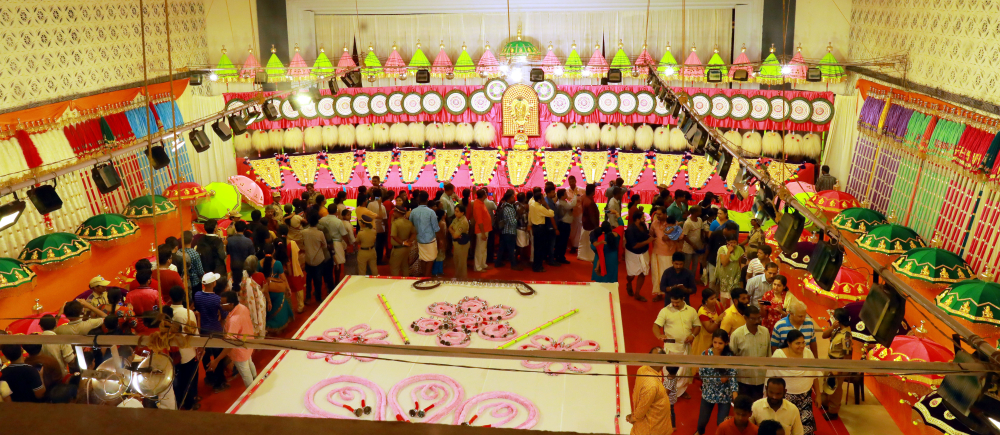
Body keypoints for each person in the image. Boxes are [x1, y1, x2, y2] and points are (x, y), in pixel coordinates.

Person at [767, 330, 822, 435]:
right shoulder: (779, 355)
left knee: (807, 430)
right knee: (787, 429)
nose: (802, 346)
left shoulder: (808, 353)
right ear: (789, 343)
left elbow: (814, 375)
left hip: (806, 397)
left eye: (803, 342)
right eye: (798, 343)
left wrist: (818, 395)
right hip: (785, 399)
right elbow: (769, 378)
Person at [653, 287, 700, 399]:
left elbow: (697, 326)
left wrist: (692, 335)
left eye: (677, 302)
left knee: (684, 373)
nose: (674, 304)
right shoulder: (665, 311)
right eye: (672, 302)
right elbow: (656, 326)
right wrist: (659, 335)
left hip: (685, 347)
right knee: (669, 373)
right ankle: (669, 393)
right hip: (670, 348)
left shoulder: (691, 311)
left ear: (683, 299)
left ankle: (681, 392)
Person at [209, 291, 257, 388]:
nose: (221, 305)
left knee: (246, 374)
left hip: (239, 351)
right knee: (250, 364)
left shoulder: (233, 321)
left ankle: (253, 391)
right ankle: (257, 380)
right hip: (247, 344)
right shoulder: (242, 307)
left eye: (223, 304)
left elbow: (230, 344)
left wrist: (216, 360)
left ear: (231, 304)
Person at [696, 330, 738, 435]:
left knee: (721, 423)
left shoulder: (729, 357)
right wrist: (720, 379)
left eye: (720, 343)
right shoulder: (705, 354)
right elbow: (702, 375)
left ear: (726, 343)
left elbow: (733, 376)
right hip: (708, 394)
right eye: (715, 342)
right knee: (702, 422)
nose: (717, 346)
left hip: (724, 395)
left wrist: (735, 394)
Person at [627, 347, 674, 435]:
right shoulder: (651, 386)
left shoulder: (643, 369)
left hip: (657, 420)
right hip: (652, 427)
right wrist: (633, 418)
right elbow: (642, 408)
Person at [168, 285, 200, 410]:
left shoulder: (166, 311)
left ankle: (180, 400)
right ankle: (189, 403)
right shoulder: (187, 313)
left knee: (178, 378)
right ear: (183, 297)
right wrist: (199, 348)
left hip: (172, 351)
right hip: (187, 351)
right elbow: (194, 333)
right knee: (189, 378)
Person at [195, 272, 227, 393]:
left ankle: (210, 377)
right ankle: (219, 382)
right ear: (213, 283)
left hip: (203, 330)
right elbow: (224, 314)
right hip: (215, 329)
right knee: (218, 356)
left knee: (206, 356)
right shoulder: (217, 299)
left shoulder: (197, 295)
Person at [730, 305, 770, 401]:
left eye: (758, 318)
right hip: (743, 382)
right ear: (745, 318)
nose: (757, 321)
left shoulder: (765, 332)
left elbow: (769, 356)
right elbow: (731, 360)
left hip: (761, 381)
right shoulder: (736, 335)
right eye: (753, 319)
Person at [820, 308, 853, 420]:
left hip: (838, 364)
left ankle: (833, 411)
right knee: (826, 382)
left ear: (838, 320)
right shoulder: (837, 329)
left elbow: (847, 356)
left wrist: (839, 369)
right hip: (830, 360)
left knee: (835, 388)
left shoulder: (846, 335)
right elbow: (824, 335)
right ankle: (824, 402)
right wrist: (832, 327)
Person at [650, 211, 681, 301]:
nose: (658, 216)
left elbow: (681, 235)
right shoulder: (654, 223)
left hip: (670, 253)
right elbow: (651, 234)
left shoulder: (672, 222)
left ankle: (670, 293)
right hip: (657, 252)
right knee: (657, 274)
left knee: (669, 274)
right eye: (657, 214)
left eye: (660, 214)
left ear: (665, 214)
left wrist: (670, 237)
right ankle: (659, 293)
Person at [318, 203, 352, 285]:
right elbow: (344, 235)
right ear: (336, 212)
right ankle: (336, 281)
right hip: (336, 243)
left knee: (326, 264)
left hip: (324, 243)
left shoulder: (321, 220)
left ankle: (327, 282)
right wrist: (348, 243)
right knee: (338, 264)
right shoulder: (338, 221)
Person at [301, 212, 330, 304]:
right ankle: (318, 298)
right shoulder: (320, 233)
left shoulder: (303, 232)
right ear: (317, 222)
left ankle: (308, 298)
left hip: (308, 259)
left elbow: (302, 244)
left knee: (308, 279)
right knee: (318, 280)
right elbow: (324, 246)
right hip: (318, 259)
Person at [624, 209, 651, 301]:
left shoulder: (643, 225)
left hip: (644, 252)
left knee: (643, 272)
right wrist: (647, 241)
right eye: (643, 218)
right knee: (632, 274)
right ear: (637, 219)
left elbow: (646, 235)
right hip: (632, 253)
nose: (644, 219)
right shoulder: (630, 230)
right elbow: (634, 245)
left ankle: (637, 293)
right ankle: (629, 283)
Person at [262, 255, 293, 334]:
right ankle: (279, 327)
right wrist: (288, 288)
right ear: (273, 252)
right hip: (277, 291)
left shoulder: (259, 263)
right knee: (283, 304)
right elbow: (283, 278)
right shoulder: (278, 263)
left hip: (265, 292)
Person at [410, 192, 438, 277]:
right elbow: (436, 228)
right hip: (430, 239)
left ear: (418, 199)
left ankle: (423, 276)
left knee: (422, 258)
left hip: (419, 239)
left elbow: (411, 225)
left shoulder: (413, 212)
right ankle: (427, 276)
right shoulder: (431, 212)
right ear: (427, 199)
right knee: (430, 259)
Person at [239, 256, 267, 338]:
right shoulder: (260, 275)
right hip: (256, 304)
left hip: (245, 306)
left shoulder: (242, 277)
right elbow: (259, 293)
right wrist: (264, 289)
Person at [692, 288, 724, 357]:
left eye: (715, 297)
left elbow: (723, 316)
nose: (715, 300)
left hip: (717, 338)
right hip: (705, 339)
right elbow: (709, 329)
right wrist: (717, 320)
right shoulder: (702, 312)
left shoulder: (718, 304)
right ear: (705, 300)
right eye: (712, 299)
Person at [530, 191, 556, 272]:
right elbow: (551, 214)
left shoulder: (532, 205)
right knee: (540, 249)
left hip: (535, 228)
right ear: (539, 200)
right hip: (541, 229)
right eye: (542, 198)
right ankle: (538, 267)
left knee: (536, 248)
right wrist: (546, 205)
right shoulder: (540, 207)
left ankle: (536, 265)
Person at [716, 231, 745, 303]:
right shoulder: (722, 249)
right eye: (730, 242)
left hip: (736, 275)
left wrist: (740, 274)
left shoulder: (739, 249)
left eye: (734, 242)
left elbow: (740, 262)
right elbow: (724, 263)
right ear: (727, 242)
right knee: (724, 299)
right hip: (725, 275)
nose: (733, 245)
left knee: (734, 297)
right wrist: (729, 252)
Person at [197, 219, 228, 284]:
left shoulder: (201, 239)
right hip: (217, 268)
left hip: (206, 267)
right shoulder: (218, 241)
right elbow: (222, 256)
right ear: (215, 228)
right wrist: (224, 245)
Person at [495, 191, 520, 270]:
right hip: (510, 231)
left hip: (504, 231)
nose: (514, 198)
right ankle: (513, 265)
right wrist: (517, 217)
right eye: (513, 197)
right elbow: (513, 222)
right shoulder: (509, 209)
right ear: (509, 199)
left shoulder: (504, 206)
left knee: (502, 248)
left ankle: (498, 262)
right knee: (511, 249)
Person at [390, 205, 416, 276]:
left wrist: (403, 243)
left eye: (394, 212)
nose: (393, 213)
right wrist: (409, 241)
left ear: (398, 213)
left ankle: (394, 284)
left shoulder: (395, 223)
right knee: (405, 266)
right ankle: (406, 282)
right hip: (406, 248)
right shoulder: (408, 222)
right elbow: (414, 233)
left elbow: (394, 236)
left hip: (398, 249)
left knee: (394, 267)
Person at [680, 205, 704, 278]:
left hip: (697, 246)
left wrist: (702, 242)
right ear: (695, 213)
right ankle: (685, 279)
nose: (701, 212)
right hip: (688, 248)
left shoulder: (699, 220)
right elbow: (684, 236)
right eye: (699, 211)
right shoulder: (688, 223)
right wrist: (693, 245)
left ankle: (692, 279)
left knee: (695, 264)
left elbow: (702, 231)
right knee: (687, 264)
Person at [472, 189, 493, 271]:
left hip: (485, 229)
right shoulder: (477, 204)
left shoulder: (480, 202)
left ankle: (483, 264)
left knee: (483, 249)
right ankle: (477, 267)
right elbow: (479, 221)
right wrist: (483, 233)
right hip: (481, 230)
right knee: (480, 249)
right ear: (484, 195)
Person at [578, 184, 600, 262]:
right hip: (590, 225)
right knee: (589, 241)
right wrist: (596, 226)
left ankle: (581, 255)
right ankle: (589, 257)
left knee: (584, 241)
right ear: (593, 192)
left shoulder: (584, 197)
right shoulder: (589, 202)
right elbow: (592, 216)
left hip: (585, 223)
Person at [554, 189, 576, 264]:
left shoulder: (562, 202)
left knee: (562, 241)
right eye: (565, 193)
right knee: (562, 241)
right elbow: (572, 205)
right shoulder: (561, 203)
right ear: (562, 196)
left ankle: (559, 256)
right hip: (564, 225)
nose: (567, 195)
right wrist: (575, 196)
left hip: (564, 224)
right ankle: (560, 257)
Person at [367, 189, 388, 265]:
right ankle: (379, 260)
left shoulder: (370, 204)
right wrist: (386, 227)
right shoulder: (382, 206)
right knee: (380, 245)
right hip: (380, 228)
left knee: (373, 245)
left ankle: (372, 260)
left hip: (372, 227)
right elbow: (384, 218)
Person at [450, 204, 471, 279]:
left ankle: (463, 279)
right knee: (456, 261)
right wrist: (454, 233)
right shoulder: (456, 219)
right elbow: (449, 228)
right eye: (455, 211)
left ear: (462, 213)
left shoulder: (463, 222)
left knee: (461, 263)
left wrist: (454, 233)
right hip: (456, 243)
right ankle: (458, 277)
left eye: (457, 211)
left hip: (462, 244)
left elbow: (455, 235)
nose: (455, 213)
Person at [566, 176, 585, 252]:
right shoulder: (566, 190)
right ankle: (573, 245)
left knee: (579, 230)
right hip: (570, 213)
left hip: (580, 212)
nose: (571, 183)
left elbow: (584, 200)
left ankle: (578, 246)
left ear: (575, 181)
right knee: (572, 230)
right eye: (570, 182)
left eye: (573, 181)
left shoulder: (582, 190)